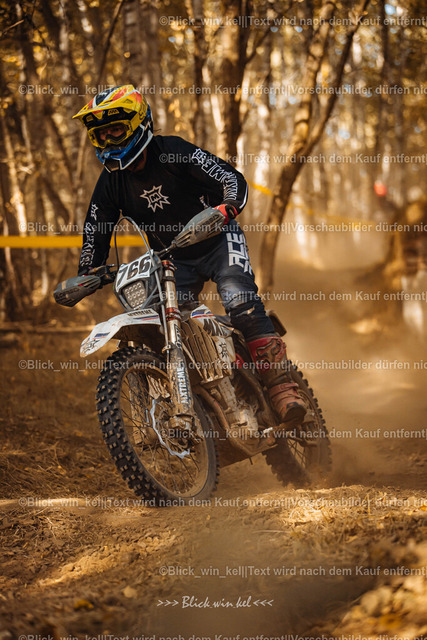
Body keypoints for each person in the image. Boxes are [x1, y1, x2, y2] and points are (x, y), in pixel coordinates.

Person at [73, 84, 306, 427]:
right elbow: (97, 227)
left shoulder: (172, 151)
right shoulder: (111, 184)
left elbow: (229, 177)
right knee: (167, 324)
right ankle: (202, 405)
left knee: (240, 301)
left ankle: (282, 387)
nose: (108, 140)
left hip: (217, 239)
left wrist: (227, 206)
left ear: (137, 123)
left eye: (116, 130)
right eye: (101, 135)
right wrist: (88, 271)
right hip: (171, 259)